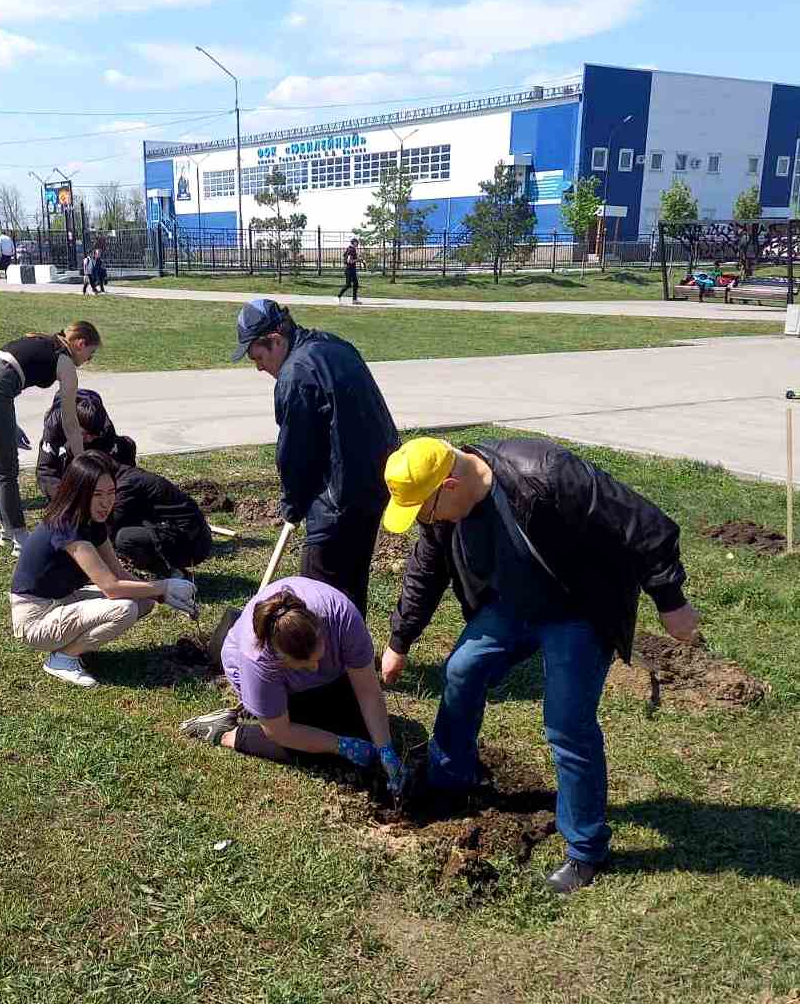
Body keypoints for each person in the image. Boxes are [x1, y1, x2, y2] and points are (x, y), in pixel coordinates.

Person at [380, 436, 700, 894]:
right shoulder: (441, 510)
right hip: (512, 605)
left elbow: (643, 524)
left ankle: (586, 850)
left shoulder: (545, 474)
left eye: (425, 512)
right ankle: (449, 778)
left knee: (567, 724)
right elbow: (426, 567)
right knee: (461, 669)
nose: (424, 523)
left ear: (449, 485)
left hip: (579, 608)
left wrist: (671, 603)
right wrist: (400, 639)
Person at [231, 298, 399, 615]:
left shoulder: (295, 375)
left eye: (258, 356)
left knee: (318, 597)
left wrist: (293, 504)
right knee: (351, 585)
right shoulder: (334, 345)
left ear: (276, 341)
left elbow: (296, 453)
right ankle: (354, 659)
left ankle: (325, 661)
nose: (258, 366)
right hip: (375, 486)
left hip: (337, 502)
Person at [179, 577, 406, 797]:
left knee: (364, 730)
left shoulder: (341, 617)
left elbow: (368, 690)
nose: (315, 667)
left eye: (319, 656)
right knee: (318, 747)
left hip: (325, 669)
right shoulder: (258, 660)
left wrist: (385, 747)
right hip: (266, 679)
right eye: (304, 664)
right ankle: (227, 732)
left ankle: (283, 706)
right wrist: (339, 745)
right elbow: (281, 733)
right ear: (280, 658)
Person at [10, 451, 198, 689]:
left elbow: (118, 573)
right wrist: (165, 585)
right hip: (35, 618)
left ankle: (71, 646)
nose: (106, 502)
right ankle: (63, 658)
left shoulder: (93, 521)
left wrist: (160, 595)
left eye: (111, 493)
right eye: (97, 494)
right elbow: (110, 587)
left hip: (60, 600)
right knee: (125, 608)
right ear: (79, 492)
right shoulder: (67, 526)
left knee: (143, 602)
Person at [0, 321, 101, 556]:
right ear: (80, 343)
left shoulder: (43, 340)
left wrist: (7, 423)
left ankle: (7, 532)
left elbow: (2, 369)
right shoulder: (65, 361)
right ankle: (20, 538)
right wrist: (81, 457)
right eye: (91, 354)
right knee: (6, 471)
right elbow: (70, 421)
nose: (89, 360)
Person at [108, 462, 212, 578]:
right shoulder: (129, 475)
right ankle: (170, 568)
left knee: (123, 538)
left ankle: (170, 573)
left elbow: (110, 526)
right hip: (192, 536)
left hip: (192, 543)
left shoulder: (127, 485)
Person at [36, 388, 136, 501]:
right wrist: (64, 499)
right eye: (84, 434)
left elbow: (115, 466)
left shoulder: (105, 428)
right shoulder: (54, 424)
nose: (88, 440)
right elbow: (46, 470)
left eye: (93, 436)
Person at [337, 237, 360, 305]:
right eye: (357, 242)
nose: (358, 243)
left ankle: (354, 300)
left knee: (355, 284)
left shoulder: (349, 249)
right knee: (348, 285)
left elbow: (345, 256)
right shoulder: (351, 250)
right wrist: (358, 260)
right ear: (354, 242)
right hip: (349, 269)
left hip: (351, 269)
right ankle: (338, 296)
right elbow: (349, 261)